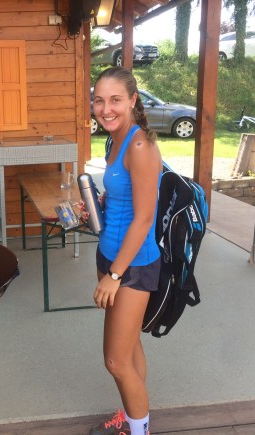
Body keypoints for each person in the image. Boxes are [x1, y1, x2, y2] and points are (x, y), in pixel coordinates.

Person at [88, 66, 162, 435]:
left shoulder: (139, 145)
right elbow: (126, 198)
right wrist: (101, 202)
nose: (106, 109)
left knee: (116, 361)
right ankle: (133, 418)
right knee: (129, 350)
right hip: (110, 255)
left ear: (133, 100)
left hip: (132, 266)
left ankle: (139, 430)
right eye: (99, 101)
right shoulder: (113, 140)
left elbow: (144, 218)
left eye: (115, 100)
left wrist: (115, 275)